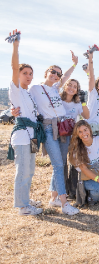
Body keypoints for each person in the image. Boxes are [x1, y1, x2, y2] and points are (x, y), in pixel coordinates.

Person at [28, 48, 80, 215]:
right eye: (53, 72)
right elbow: (27, 106)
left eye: (58, 74)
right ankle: (65, 204)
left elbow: (66, 76)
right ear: (46, 72)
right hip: (49, 128)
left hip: (63, 128)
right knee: (58, 165)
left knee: (61, 163)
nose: (56, 75)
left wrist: (74, 64)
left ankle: (53, 198)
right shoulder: (35, 89)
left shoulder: (56, 88)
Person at [7, 29, 45, 215]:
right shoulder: (15, 90)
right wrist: (16, 45)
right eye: (25, 73)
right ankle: (22, 207)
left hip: (33, 137)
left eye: (31, 73)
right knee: (22, 171)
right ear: (19, 74)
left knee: (30, 170)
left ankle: (26, 200)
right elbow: (14, 67)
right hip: (22, 137)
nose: (28, 76)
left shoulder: (29, 95)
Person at [60, 79, 90, 196]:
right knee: (62, 164)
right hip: (60, 136)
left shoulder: (77, 103)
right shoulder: (59, 100)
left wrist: (83, 101)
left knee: (74, 163)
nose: (72, 88)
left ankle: (72, 190)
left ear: (77, 90)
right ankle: (62, 190)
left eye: (75, 86)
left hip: (73, 136)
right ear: (65, 86)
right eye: (70, 85)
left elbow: (87, 116)